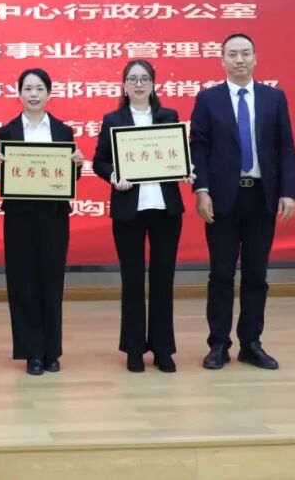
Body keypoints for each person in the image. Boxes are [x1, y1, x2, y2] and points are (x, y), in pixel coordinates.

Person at [190, 33, 295, 370]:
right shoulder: (208, 99)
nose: (239, 59)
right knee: (221, 274)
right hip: (222, 198)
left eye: (245, 53)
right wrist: (201, 190)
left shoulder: (273, 98)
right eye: (232, 54)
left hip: (261, 197)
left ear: (255, 58)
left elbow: (286, 148)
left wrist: (289, 191)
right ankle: (218, 344)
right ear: (222, 60)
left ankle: (251, 343)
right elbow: (198, 147)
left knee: (256, 274)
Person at [92, 60, 188, 374]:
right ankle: (134, 349)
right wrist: (114, 176)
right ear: (124, 85)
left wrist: (185, 169)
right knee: (132, 280)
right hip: (128, 210)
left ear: (153, 84)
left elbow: (178, 156)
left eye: (144, 78)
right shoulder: (113, 119)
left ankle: (163, 349)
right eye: (132, 79)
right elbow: (100, 161)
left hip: (165, 210)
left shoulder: (168, 116)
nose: (138, 84)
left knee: (163, 279)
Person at [0, 68, 83, 375]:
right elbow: (0, 180)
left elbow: (69, 179)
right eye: (28, 88)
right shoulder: (7, 132)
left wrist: (77, 165)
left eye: (39, 88)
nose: (33, 94)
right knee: (22, 284)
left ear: (49, 93)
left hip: (53, 217)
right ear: (18, 93)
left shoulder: (63, 131)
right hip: (19, 218)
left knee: (52, 282)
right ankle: (32, 353)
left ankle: (51, 351)